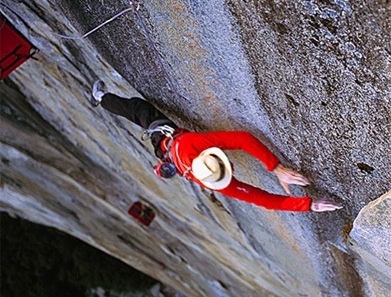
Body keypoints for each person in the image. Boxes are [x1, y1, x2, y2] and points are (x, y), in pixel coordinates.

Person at [92, 81, 342, 213]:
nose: (229, 170)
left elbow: (259, 194)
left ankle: (101, 98)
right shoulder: (200, 154)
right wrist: (308, 204)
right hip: (171, 148)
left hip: (168, 143)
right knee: (138, 109)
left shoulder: (207, 174)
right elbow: (243, 144)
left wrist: (276, 169)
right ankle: (101, 98)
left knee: (138, 111)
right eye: (226, 168)